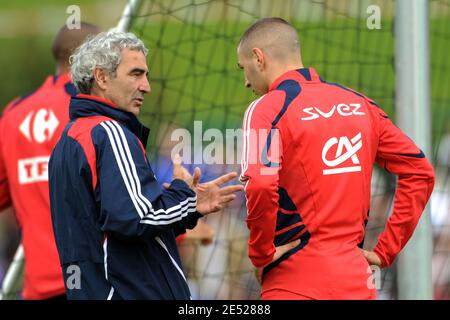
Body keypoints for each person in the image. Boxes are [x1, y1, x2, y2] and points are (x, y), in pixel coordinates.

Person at [237, 17, 435, 300]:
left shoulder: (265, 109)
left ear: (258, 58)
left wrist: (261, 253)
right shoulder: (360, 103)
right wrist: (386, 249)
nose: (245, 81)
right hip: (356, 283)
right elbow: (420, 172)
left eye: (243, 68)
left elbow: (259, 183)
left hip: (294, 282)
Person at [48, 30, 243, 300]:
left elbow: (115, 224)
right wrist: (185, 196)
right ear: (102, 77)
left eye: (146, 75)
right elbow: (139, 218)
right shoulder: (108, 133)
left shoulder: (68, 139)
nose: (146, 86)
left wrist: (188, 208)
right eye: (136, 74)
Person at [0, 22, 101, 299]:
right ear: (93, 59)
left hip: (39, 289)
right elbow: (125, 204)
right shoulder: (94, 113)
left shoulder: (12, 115)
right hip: (95, 284)